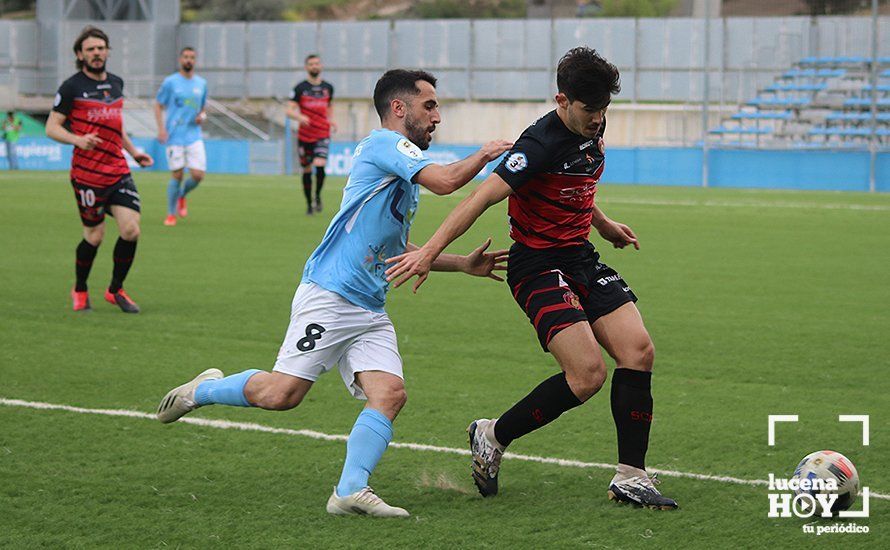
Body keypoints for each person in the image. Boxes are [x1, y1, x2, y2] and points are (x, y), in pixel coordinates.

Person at [157, 69, 512, 517]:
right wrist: (483, 154)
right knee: (282, 395)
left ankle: (348, 490)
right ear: (399, 108)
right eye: (430, 106)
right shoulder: (385, 143)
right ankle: (202, 391)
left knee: (390, 394)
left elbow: (395, 247)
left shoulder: (399, 168)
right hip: (331, 293)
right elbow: (445, 181)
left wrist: (460, 264)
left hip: (368, 305)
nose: (437, 116)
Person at [384, 47, 679, 510]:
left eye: (604, 110)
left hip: (580, 255)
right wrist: (430, 253)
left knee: (639, 351)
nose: (598, 119)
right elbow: (478, 200)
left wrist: (603, 224)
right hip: (537, 265)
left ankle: (631, 476)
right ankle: (492, 435)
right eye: (589, 111)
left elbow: (577, 177)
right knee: (586, 375)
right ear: (562, 100)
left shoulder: (589, 123)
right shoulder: (538, 143)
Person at [45, 26, 153, 314]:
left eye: (101, 48)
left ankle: (115, 289)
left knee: (131, 230)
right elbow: (51, 127)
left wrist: (135, 153)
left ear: (107, 51)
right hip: (87, 175)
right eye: (91, 49)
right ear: (80, 54)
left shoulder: (116, 83)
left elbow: (117, 127)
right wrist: (78, 140)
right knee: (95, 236)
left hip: (117, 169)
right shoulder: (71, 87)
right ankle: (80, 288)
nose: (97, 53)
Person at [154, 47, 208, 226]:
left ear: (195, 60)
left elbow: (202, 108)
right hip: (175, 135)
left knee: (198, 175)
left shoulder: (201, 84)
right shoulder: (170, 82)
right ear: (180, 60)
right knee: (177, 174)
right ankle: (170, 214)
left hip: (194, 135)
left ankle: (182, 195)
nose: (188, 60)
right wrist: (161, 129)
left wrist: (202, 116)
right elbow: (158, 105)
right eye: (186, 57)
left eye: (192, 57)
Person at [286, 54, 336, 215]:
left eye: (317, 63)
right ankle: (309, 203)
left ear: (321, 66)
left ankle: (318, 196)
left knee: (319, 164)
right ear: (306, 67)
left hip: (322, 133)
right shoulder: (300, 88)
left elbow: (329, 107)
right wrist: (299, 117)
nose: (314, 66)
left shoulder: (328, 87)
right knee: (307, 170)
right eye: (311, 64)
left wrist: (332, 121)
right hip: (305, 135)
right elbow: (288, 110)